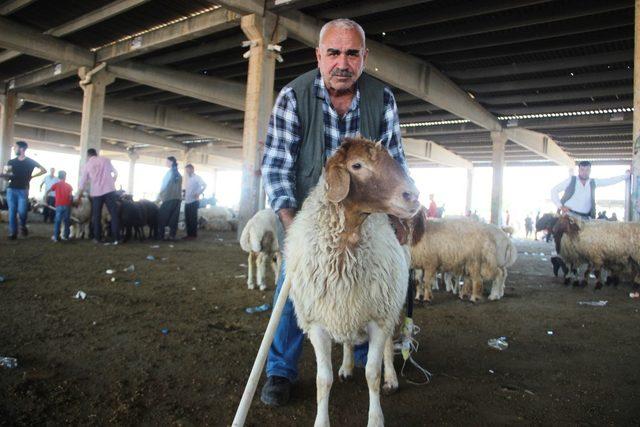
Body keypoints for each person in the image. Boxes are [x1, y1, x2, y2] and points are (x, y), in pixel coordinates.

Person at [260, 18, 409, 406]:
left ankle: (364, 357)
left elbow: (395, 162)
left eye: (351, 53)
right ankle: (280, 369)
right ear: (319, 56)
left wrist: (399, 217)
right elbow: (276, 167)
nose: (342, 62)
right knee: (296, 288)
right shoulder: (293, 98)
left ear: (363, 58)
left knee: (372, 282)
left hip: (365, 217)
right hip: (308, 219)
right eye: (333, 53)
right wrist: (295, 230)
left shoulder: (382, 99)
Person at [551, 161, 630, 219]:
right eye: (582, 170)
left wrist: (626, 176)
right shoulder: (571, 180)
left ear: (590, 171)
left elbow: (609, 180)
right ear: (578, 170)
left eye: (587, 170)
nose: (584, 172)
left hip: (586, 218)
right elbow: (554, 190)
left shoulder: (594, 182)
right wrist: (560, 206)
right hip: (569, 216)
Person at [0, 141, 46, 239]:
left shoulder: (30, 161)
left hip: (23, 189)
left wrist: (32, 176)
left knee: (22, 212)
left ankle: (23, 226)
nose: (14, 149)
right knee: (12, 212)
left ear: (21, 149)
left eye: (15, 147)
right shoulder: (11, 162)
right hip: (11, 189)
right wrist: (3, 176)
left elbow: (43, 170)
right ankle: (13, 233)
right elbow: (7, 177)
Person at [77, 148, 120, 243]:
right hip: (109, 190)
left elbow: (82, 182)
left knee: (96, 215)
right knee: (114, 214)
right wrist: (112, 181)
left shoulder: (87, 165)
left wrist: (79, 196)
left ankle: (97, 238)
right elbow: (115, 173)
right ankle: (116, 238)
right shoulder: (105, 160)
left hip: (96, 193)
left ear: (88, 156)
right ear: (96, 154)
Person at [157, 156, 182, 241]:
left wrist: (159, 196)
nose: (166, 163)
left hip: (169, 198)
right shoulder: (178, 173)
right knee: (174, 218)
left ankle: (161, 236)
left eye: (167, 162)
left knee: (162, 217)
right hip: (177, 198)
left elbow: (164, 186)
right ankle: (172, 236)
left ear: (171, 162)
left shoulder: (169, 173)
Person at [182, 164, 206, 240]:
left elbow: (204, 185)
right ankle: (189, 234)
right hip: (187, 201)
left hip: (193, 201)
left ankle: (193, 235)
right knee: (188, 219)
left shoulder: (197, 178)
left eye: (188, 170)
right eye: (186, 170)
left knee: (192, 219)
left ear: (192, 169)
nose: (187, 171)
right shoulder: (189, 179)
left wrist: (198, 193)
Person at [49, 170, 73, 242]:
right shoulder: (69, 186)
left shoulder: (56, 185)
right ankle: (66, 236)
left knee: (58, 221)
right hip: (67, 205)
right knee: (66, 221)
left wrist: (45, 196)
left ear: (59, 177)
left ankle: (56, 237)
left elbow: (49, 190)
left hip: (59, 205)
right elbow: (71, 196)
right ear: (65, 177)